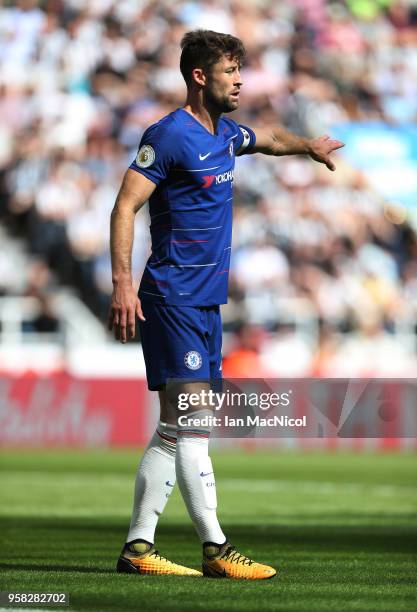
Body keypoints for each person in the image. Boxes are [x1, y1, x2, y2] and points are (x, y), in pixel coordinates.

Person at [108, 29, 343, 579]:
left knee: (175, 427)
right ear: (199, 76)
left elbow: (268, 141)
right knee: (194, 421)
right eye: (230, 71)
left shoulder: (226, 134)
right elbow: (125, 207)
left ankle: (138, 550)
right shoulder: (168, 137)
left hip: (207, 302)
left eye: (241, 70)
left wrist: (307, 147)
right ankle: (216, 549)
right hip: (173, 296)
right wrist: (122, 282)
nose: (240, 80)